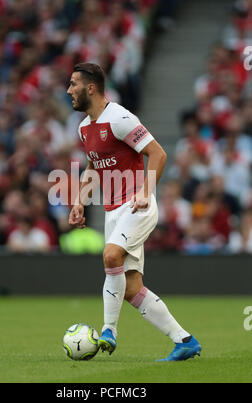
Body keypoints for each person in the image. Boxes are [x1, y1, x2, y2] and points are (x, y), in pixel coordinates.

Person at [67, 62, 202, 361]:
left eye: (73, 84)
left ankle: (108, 331)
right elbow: (93, 165)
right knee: (131, 289)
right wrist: (79, 199)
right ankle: (185, 341)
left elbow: (158, 153)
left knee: (110, 256)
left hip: (137, 204)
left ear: (91, 87)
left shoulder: (120, 118)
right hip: (114, 211)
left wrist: (145, 191)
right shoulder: (83, 128)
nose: (69, 90)